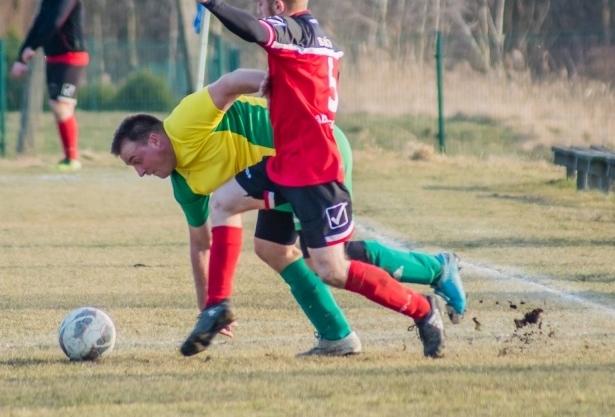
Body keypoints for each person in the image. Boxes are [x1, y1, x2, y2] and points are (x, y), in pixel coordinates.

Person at [177, 0, 447, 358]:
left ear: (278, 8)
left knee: (332, 269)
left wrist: (211, 1)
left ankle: (424, 311)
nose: (256, 9)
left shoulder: (293, 30)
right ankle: (217, 306)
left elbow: (253, 31)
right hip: (285, 163)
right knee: (223, 202)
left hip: (316, 171)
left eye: (259, 1)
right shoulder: (308, 36)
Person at [110, 69, 466, 357]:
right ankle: (337, 336)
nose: (140, 172)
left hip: (314, 154)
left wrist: (273, 84)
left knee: (329, 262)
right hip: (278, 176)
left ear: (154, 141)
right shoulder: (183, 184)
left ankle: (435, 270)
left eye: (136, 161)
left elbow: (230, 83)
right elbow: (201, 244)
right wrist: (207, 309)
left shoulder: (184, 122)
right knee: (273, 247)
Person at [11, 0, 89, 170]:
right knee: (59, 106)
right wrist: (22, 55)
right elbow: (37, 27)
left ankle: (72, 158)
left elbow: (55, 23)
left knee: (61, 105)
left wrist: (33, 48)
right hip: (54, 58)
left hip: (72, 57)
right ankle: (69, 157)